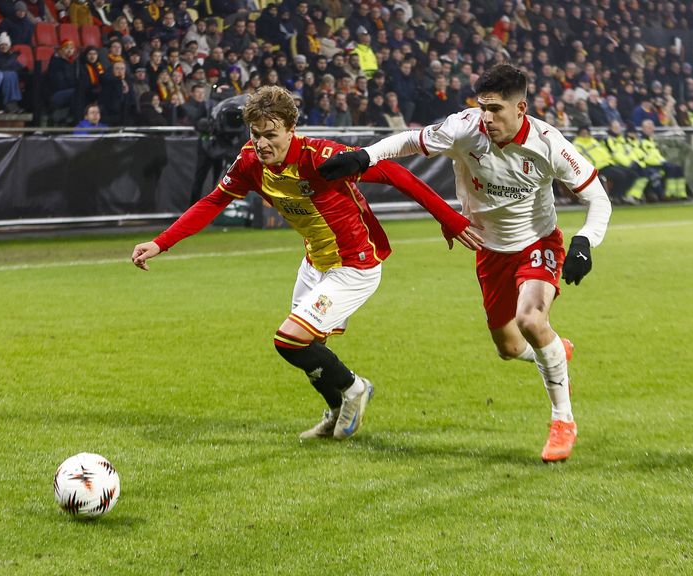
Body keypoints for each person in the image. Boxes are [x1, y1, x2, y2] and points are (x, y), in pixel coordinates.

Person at [131, 85, 482, 441]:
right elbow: (213, 201)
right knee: (309, 349)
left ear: (291, 130)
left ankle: (356, 388)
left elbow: (395, 173)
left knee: (289, 340)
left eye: (271, 135)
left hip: (354, 264)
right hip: (315, 262)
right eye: (256, 134)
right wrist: (161, 243)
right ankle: (336, 410)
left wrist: (449, 219)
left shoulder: (321, 157)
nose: (262, 143)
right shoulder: (250, 161)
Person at [318, 65, 612, 462]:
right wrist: (363, 157)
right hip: (489, 250)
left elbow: (598, 198)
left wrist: (583, 241)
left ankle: (563, 420)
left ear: (521, 108)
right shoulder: (464, 128)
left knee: (530, 321)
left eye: (496, 109)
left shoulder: (548, 143)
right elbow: (409, 140)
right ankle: (555, 352)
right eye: (483, 107)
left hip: (537, 242)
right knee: (509, 347)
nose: (486, 117)